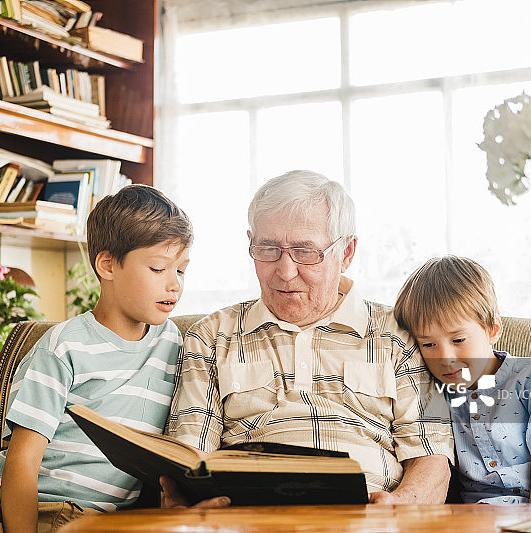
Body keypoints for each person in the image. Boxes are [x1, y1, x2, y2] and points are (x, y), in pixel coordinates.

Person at [163, 170, 454, 506]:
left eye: (305, 252)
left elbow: (431, 457)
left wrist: (401, 506)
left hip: (367, 518)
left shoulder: (400, 335)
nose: (285, 272)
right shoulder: (211, 336)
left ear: (346, 253)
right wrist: (190, 507)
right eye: (268, 249)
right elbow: (187, 455)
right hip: (246, 517)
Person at [0, 185, 200, 532]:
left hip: (93, 519)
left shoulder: (178, 345)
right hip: (7, 502)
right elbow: (22, 462)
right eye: (158, 269)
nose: (174, 285)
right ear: (107, 265)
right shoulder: (63, 347)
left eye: (181, 270)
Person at [393, 255, 531, 504]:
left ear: (493, 330)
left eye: (458, 340)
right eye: (428, 344)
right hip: (487, 514)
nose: (445, 358)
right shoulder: (434, 394)